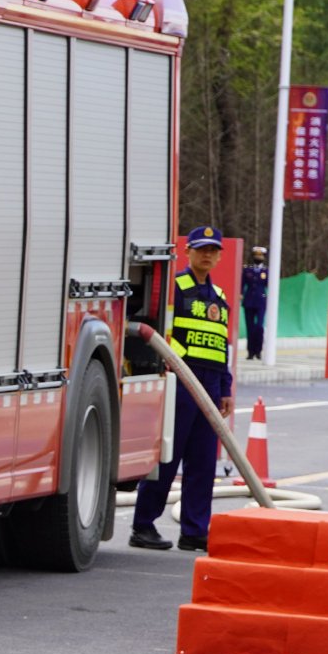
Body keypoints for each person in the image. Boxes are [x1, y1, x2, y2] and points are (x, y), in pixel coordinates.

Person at [131, 226, 233, 554]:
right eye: (201, 249)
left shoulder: (220, 298)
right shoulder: (176, 287)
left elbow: (221, 347)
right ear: (187, 251)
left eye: (213, 250)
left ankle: (194, 530)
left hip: (211, 386)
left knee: (203, 464)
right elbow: (161, 331)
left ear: (219, 255)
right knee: (168, 459)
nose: (207, 255)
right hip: (181, 384)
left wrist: (226, 389)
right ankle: (143, 525)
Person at [242, 244, 269, 361]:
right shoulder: (247, 269)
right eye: (256, 255)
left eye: (260, 256)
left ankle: (258, 351)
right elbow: (242, 283)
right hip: (249, 301)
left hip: (261, 300)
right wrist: (240, 293)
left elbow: (269, 284)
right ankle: (250, 352)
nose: (258, 257)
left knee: (259, 327)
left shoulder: (266, 271)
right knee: (250, 327)